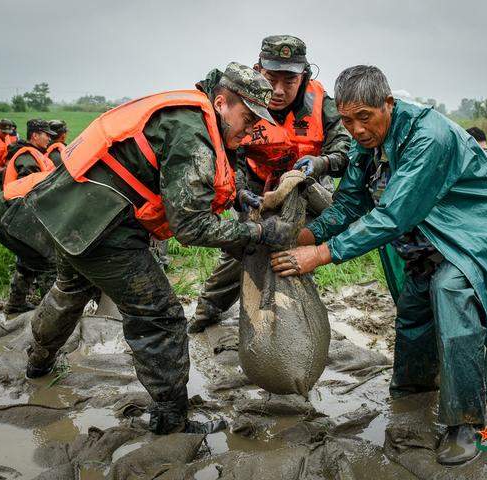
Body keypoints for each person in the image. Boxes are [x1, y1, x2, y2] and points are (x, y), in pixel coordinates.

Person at [271, 65, 487, 465]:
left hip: (481, 224)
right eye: (347, 119)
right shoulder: (366, 142)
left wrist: (320, 254)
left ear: (388, 104)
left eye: (364, 117)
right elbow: (350, 203)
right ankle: (412, 392)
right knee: (414, 304)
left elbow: (392, 216)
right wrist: (306, 236)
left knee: (452, 292)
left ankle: (466, 423)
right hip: (433, 227)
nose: (355, 129)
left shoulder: (429, 138)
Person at [22, 63, 294, 435]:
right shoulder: (191, 131)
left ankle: (37, 361)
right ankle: (171, 418)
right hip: (104, 228)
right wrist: (259, 232)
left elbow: (194, 179)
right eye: (248, 119)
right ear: (222, 103)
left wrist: (236, 197)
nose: (250, 131)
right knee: (160, 316)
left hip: (69, 212)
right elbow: (191, 226)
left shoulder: (192, 113)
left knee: (70, 289)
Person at [189, 35, 351, 333]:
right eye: (270, 78)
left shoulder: (322, 104)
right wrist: (239, 192)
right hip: (255, 189)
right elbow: (230, 156)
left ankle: (292, 323)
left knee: (291, 254)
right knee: (242, 250)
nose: (278, 90)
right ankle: (205, 314)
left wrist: (321, 163)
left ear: (304, 76)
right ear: (258, 70)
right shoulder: (243, 101)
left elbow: (345, 148)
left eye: (289, 81)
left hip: (303, 192)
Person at [0, 119, 57, 314]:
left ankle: (16, 303)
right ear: (35, 135)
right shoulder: (26, 157)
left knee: (27, 260)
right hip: (14, 212)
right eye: (46, 135)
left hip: (16, 213)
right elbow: (30, 190)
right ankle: (50, 314)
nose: (49, 139)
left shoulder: (39, 155)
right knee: (47, 261)